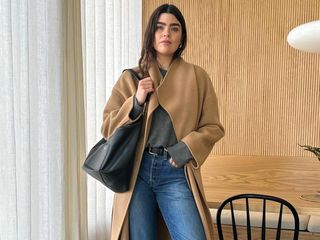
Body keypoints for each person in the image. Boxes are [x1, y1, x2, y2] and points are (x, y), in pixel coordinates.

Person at [101, 4, 225, 240]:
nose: (166, 33)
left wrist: (184, 149)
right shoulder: (132, 77)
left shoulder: (198, 77)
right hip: (137, 170)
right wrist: (136, 102)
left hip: (175, 171)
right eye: (160, 27)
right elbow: (108, 127)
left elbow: (213, 127)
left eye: (174, 28)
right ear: (151, 34)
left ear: (181, 37)